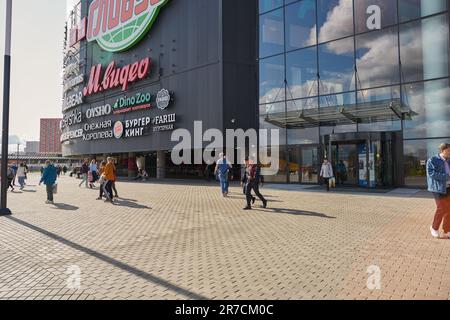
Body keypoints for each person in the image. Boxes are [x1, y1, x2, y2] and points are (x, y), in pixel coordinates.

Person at [427, 143, 450, 239]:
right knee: (441, 208)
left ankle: (447, 230)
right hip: (437, 188)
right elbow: (431, 173)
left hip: (448, 187)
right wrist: (447, 177)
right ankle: (434, 228)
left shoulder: (449, 160)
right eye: (448, 150)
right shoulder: (433, 160)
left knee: (449, 209)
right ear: (442, 150)